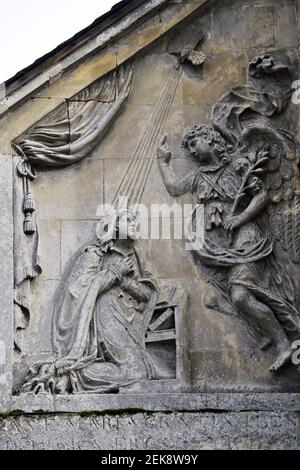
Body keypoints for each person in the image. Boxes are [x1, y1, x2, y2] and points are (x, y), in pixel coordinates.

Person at [157, 125, 300, 372]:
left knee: (240, 295)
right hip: (217, 248)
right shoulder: (198, 176)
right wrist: (163, 162)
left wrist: (240, 217)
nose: (191, 151)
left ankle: (284, 341)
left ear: (211, 140)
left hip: (247, 236)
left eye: (194, 143)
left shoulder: (237, 166)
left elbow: (262, 196)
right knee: (227, 296)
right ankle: (282, 340)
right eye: (188, 147)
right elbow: (173, 188)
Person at [22, 209, 158, 394]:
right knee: (137, 371)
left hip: (126, 321)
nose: (134, 223)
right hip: (104, 321)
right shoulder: (95, 253)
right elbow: (77, 291)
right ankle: (71, 375)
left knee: (142, 370)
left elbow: (147, 295)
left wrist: (125, 281)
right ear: (115, 226)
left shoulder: (136, 257)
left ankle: (72, 375)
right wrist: (114, 272)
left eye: (135, 220)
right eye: (128, 219)